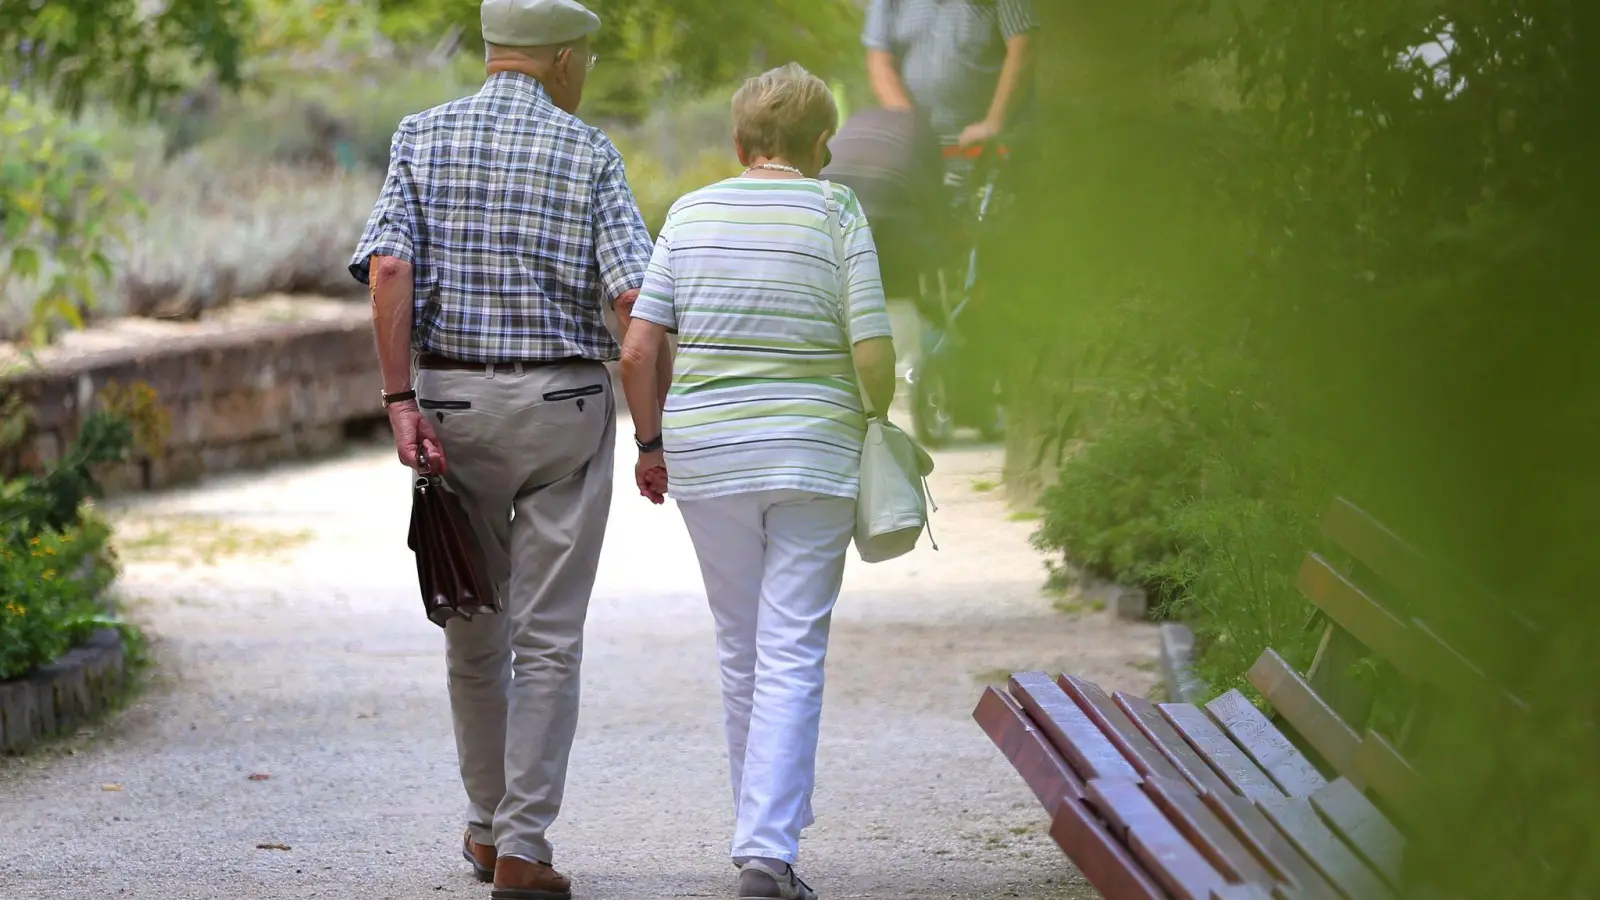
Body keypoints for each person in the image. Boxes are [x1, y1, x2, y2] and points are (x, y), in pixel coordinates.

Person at [347, 1, 665, 897]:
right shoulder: (589, 152)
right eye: (588, 59)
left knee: (472, 626)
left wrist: (401, 398)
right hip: (564, 402)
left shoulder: (419, 137)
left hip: (453, 404)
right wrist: (651, 434)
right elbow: (633, 302)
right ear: (564, 58)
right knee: (551, 640)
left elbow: (390, 268)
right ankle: (527, 843)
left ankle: (486, 829)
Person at [618, 64, 898, 900]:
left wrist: (650, 442)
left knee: (741, 645)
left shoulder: (691, 214)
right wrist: (875, 412)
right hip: (814, 452)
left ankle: (761, 838)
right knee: (792, 646)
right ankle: (766, 854)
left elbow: (637, 350)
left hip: (709, 456)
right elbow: (872, 354)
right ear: (824, 147)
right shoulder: (838, 209)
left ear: (739, 144)